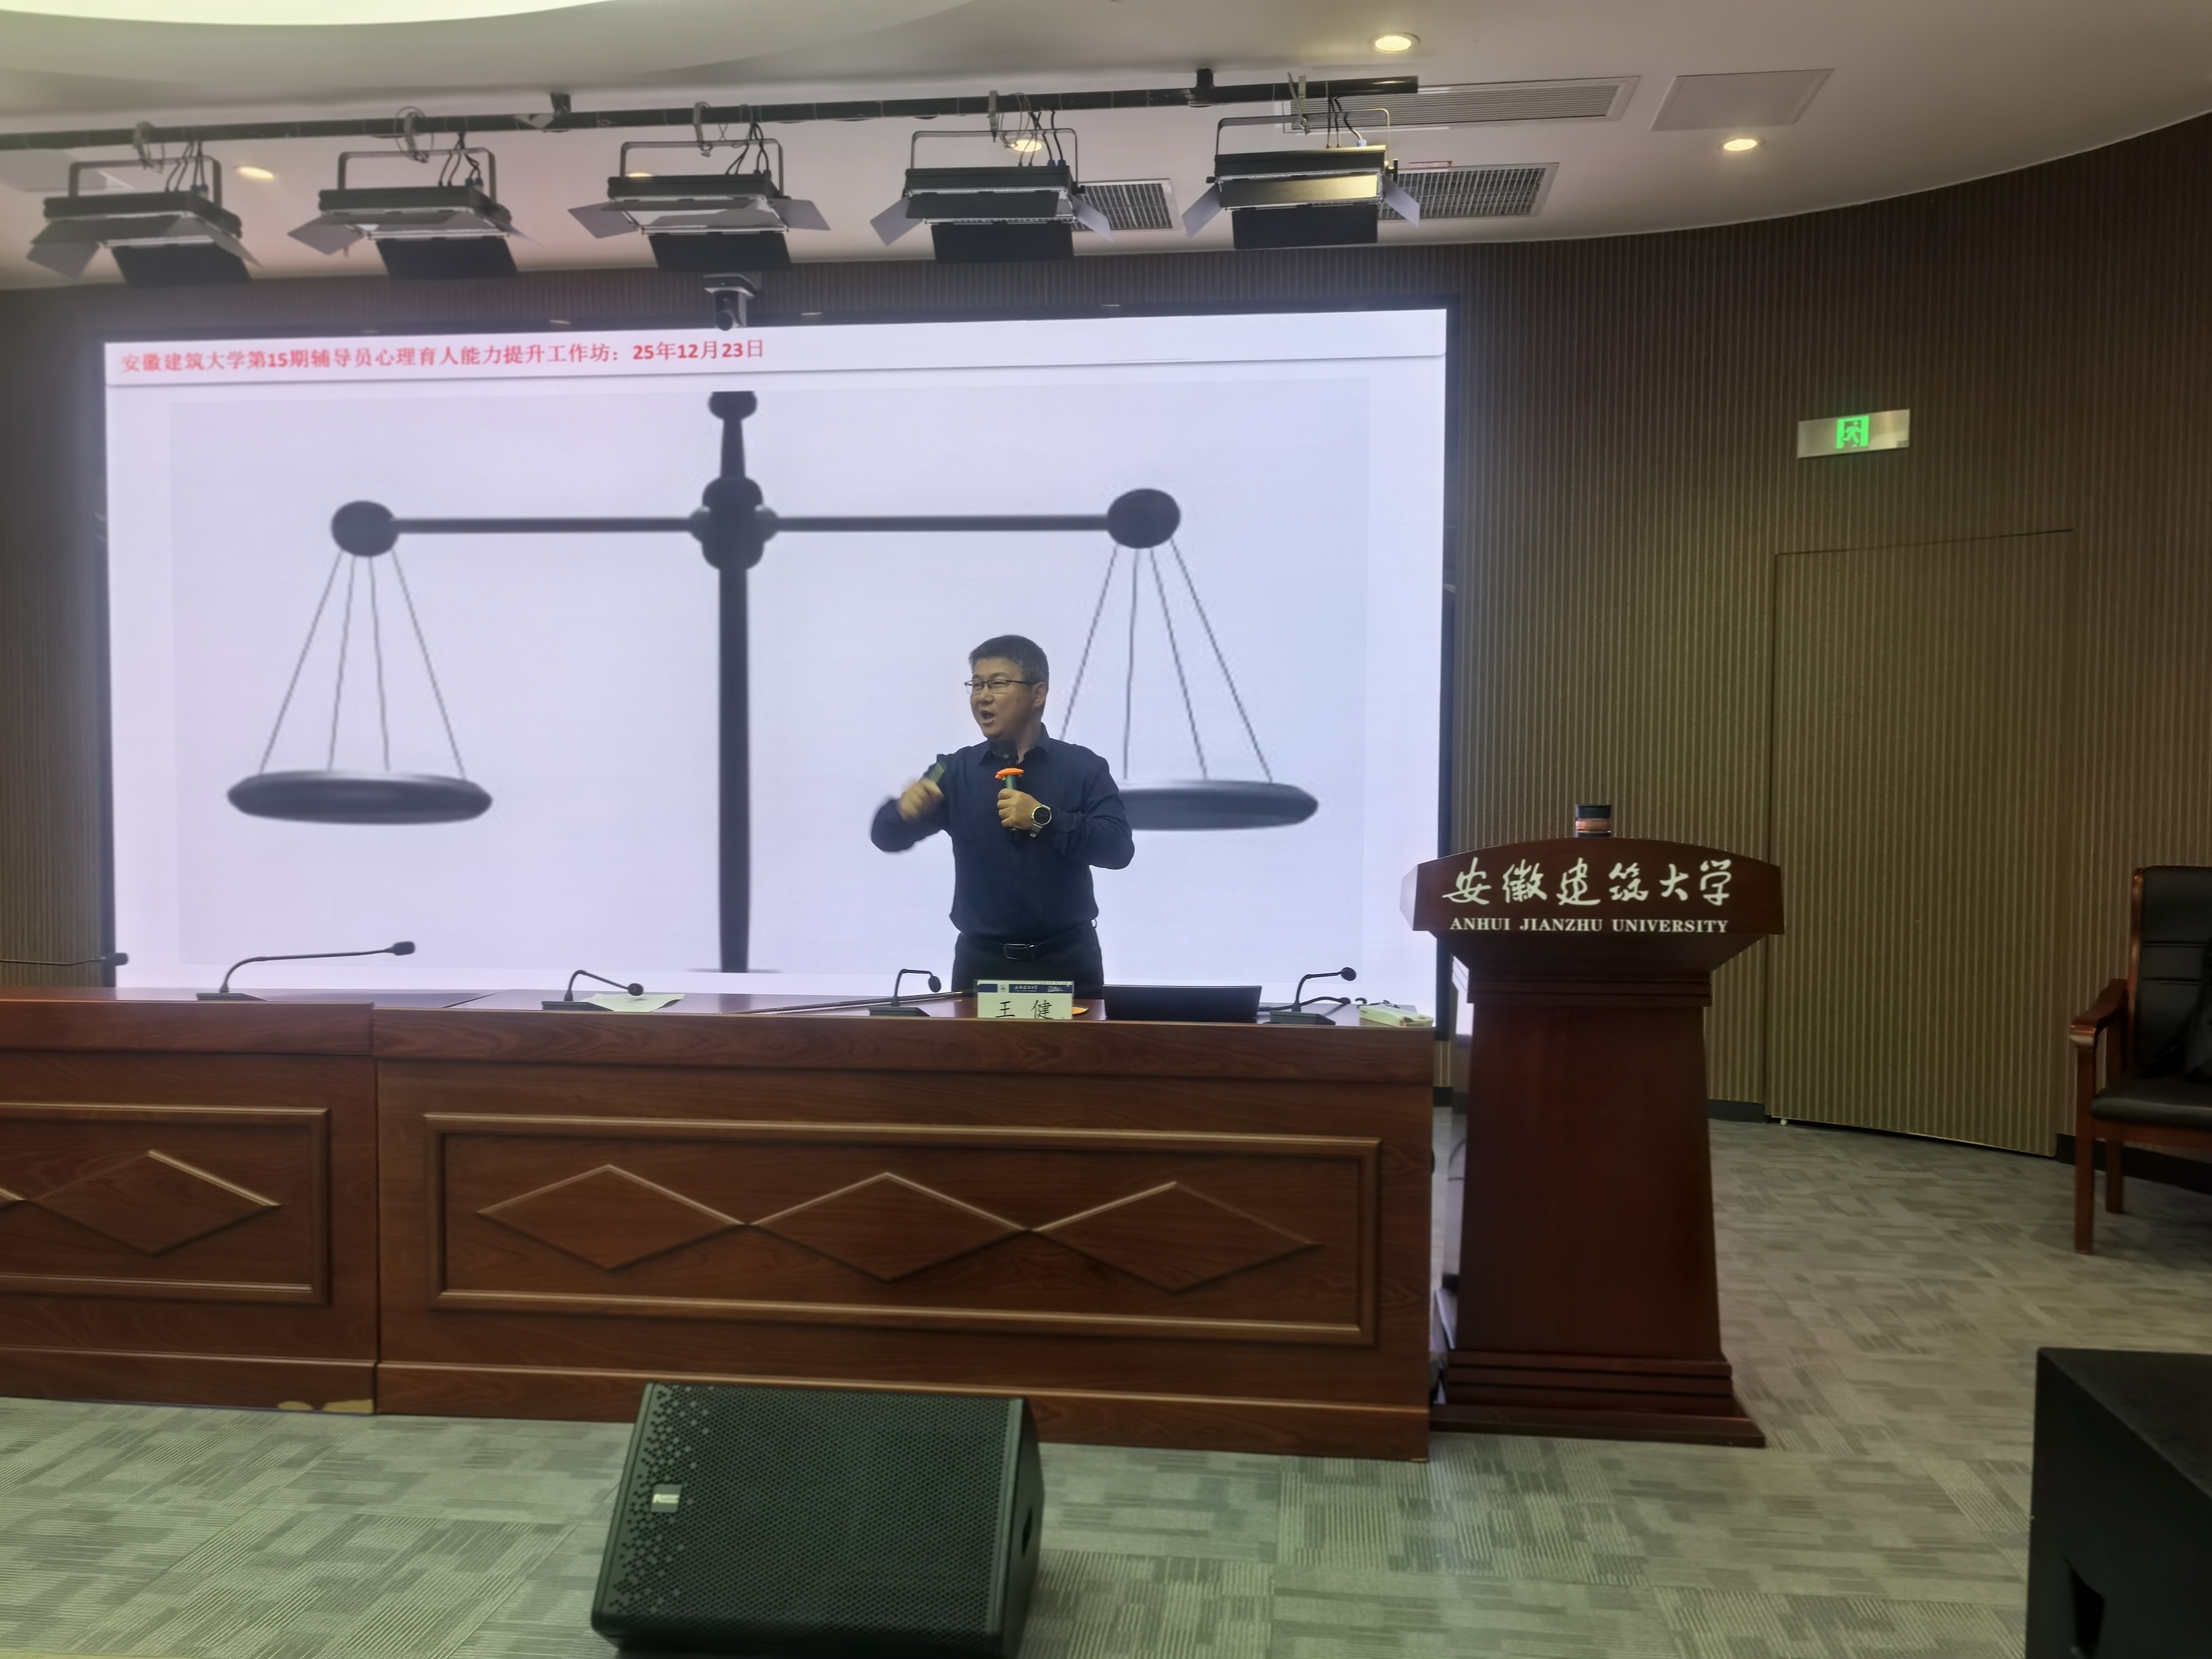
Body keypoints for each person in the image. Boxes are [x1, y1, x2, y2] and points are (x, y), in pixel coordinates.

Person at [871, 635, 1132, 996]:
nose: (983, 697)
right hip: (982, 965)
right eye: (976, 685)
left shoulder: (1084, 767)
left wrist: (1042, 818)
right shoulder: (953, 771)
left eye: (997, 684)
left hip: (1067, 962)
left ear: (1038, 694)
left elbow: (1118, 849)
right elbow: (886, 838)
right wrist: (902, 813)